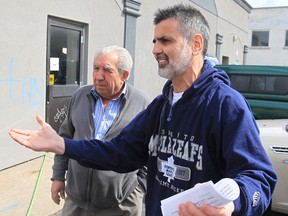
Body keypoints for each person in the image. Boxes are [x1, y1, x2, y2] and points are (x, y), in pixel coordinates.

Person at [9, 4, 277, 216]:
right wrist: (63, 145)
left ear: (196, 44)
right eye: (154, 42)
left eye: (165, 41)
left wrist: (234, 202)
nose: (155, 50)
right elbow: (120, 152)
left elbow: (259, 178)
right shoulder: (161, 107)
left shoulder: (226, 104)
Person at [51, 45, 150, 216]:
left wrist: (138, 189)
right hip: (76, 201)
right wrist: (58, 176)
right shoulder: (80, 96)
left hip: (120, 204)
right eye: (96, 68)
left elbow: (149, 154)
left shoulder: (142, 105)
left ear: (124, 75)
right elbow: (65, 138)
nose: (98, 76)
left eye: (107, 70)